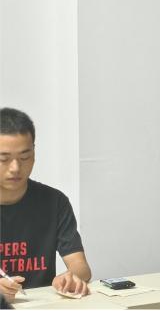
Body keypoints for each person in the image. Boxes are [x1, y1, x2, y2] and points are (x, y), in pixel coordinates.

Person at [0, 108, 91, 300]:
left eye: (24, 157)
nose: (15, 168)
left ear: (34, 153)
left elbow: (81, 266)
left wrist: (71, 277)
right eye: (4, 159)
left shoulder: (54, 202)